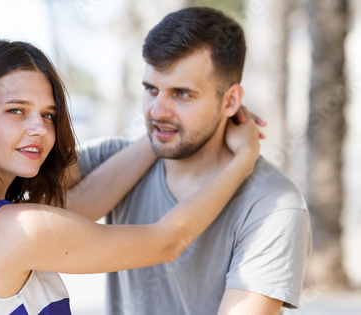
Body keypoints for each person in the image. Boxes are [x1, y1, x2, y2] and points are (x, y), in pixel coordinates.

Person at [0, 40, 261, 314]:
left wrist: (165, 127)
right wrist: (244, 159)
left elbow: (83, 203)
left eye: (48, 115)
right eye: (17, 110)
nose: (40, 129)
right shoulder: (19, 229)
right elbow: (168, 241)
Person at [68, 6, 311, 315]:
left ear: (231, 100)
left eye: (182, 94)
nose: (157, 110)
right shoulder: (113, 159)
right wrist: (161, 133)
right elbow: (39, 207)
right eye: (151, 89)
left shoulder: (272, 204)